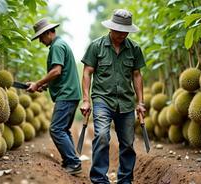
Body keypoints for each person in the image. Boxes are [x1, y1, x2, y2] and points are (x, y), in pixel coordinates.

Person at [80, 9, 146, 184]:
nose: (122, 35)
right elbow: (87, 72)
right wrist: (86, 100)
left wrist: (141, 102)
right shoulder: (96, 46)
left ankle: (125, 180)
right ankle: (99, 179)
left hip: (125, 101)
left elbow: (137, 75)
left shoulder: (134, 49)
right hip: (102, 99)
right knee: (102, 135)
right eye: (118, 31)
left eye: (125, 31)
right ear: (111, 28)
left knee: (128, 143)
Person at [27, 18, 82, 175]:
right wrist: (44, 85)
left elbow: (56, 71)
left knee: (56, 129)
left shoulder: (56, 46)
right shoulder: (61, 44)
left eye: (40, 37)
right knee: (63, 129)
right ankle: (70, 160)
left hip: (66, 94)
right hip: (70, 93)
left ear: (47, 33)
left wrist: (37, 83)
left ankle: (73, 162)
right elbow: (61, 74)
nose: (40, 41)